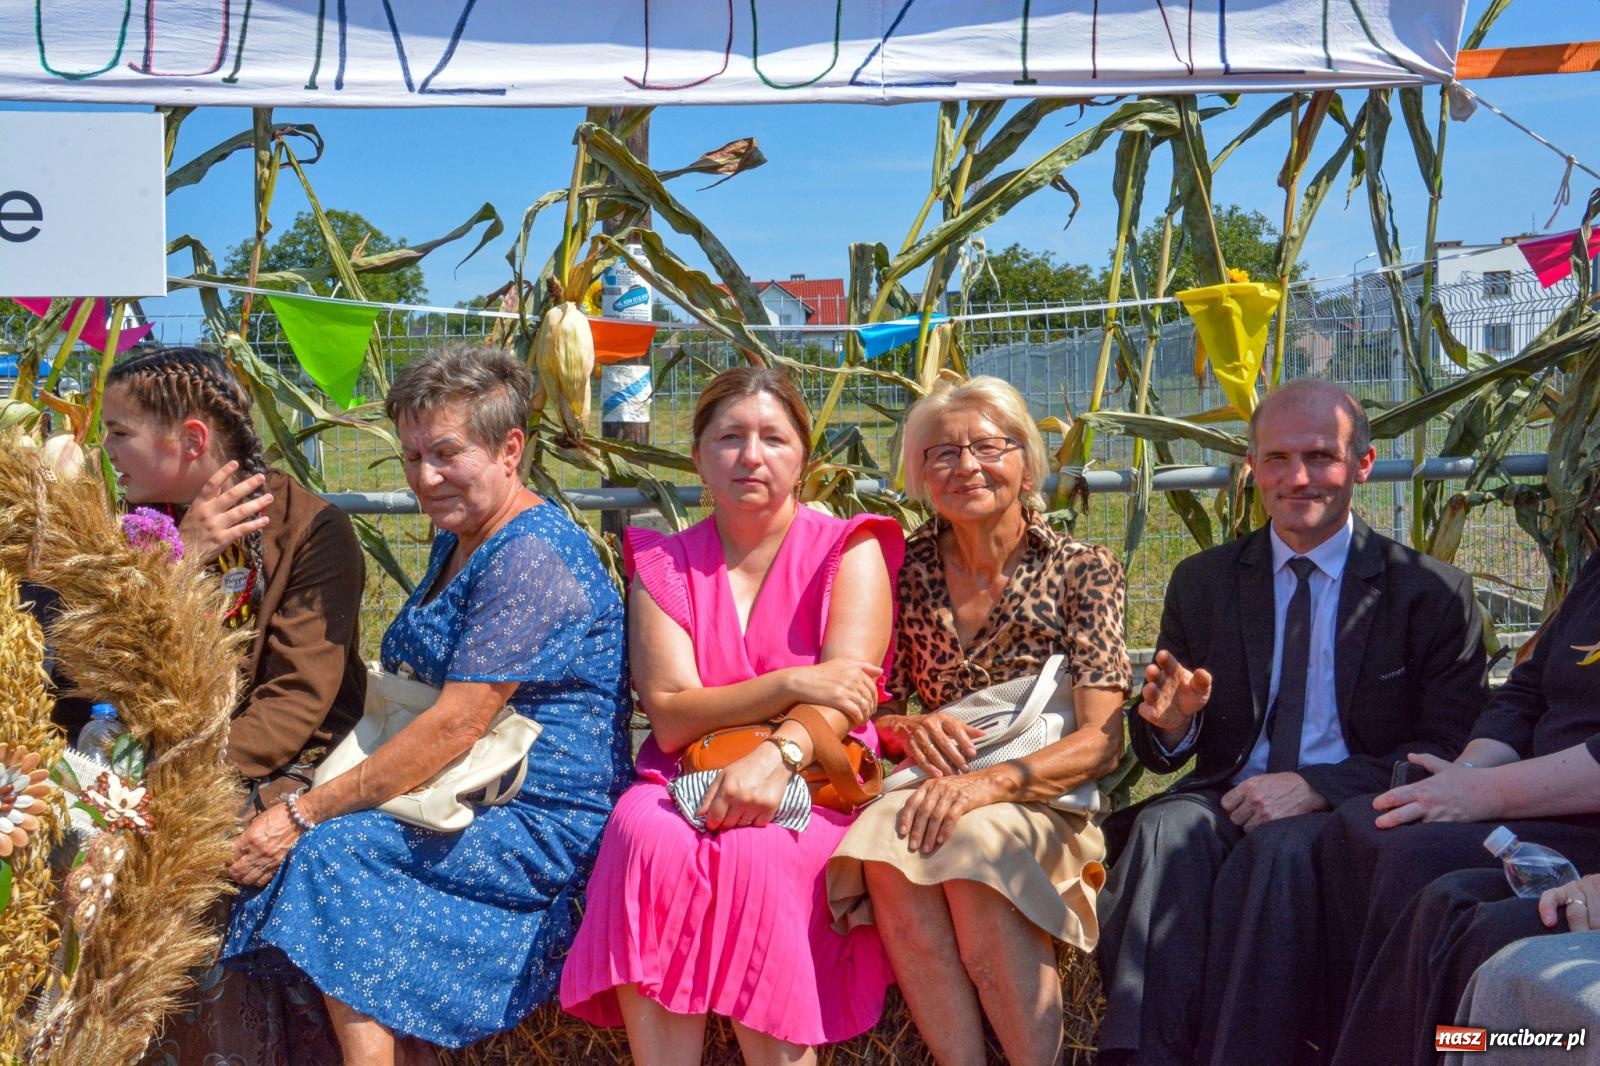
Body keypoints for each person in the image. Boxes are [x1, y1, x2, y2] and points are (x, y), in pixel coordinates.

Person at [222, 344, 633, 1066]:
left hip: (537, 816)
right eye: (412, 457)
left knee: (332, 854)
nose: (425, 476)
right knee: (324, 846)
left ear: (511, 449)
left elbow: (457, 723)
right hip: (463, 789)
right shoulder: (467, 536)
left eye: (446, 453)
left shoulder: (528, 553)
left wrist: (303, 811)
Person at [1094, 378, 1488, 1066]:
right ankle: (1139, 1057)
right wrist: (1171, 723)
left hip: (1356, 803)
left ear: (1362, 464)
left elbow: (1449, 749)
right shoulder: (1206, 581)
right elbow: (1162, 750)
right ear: (1251, 465)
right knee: (1160, 832)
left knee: (1279, 855)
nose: (1297, 478)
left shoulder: (1430, 594)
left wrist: (1317, 787)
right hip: (1232, 793)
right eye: (1275, 458)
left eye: (1320, 457)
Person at [560, 366, 902, 1065]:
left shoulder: (850, 548)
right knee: (641, 837)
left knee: (758, 854)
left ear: (803, 457)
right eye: (729, 438)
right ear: (698, 457)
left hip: (813, 777)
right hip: (683, 776)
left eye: (774, 438)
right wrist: (793, 681)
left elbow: (848, 699)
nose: (751, 456)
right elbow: (674, 719)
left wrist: (771, 759)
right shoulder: (663, 564)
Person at [826, 375, 1131, 1065]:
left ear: (1026, 463)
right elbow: (878, 705)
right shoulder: (902, 571)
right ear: (919, 474)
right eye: (941, 453)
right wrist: (907, 728)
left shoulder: (1083, 570)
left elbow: (1102, 740)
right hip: (933, 790)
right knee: (884, 845)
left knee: (972, 849)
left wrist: (984, 786)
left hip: (1040, 798)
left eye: (988, 447)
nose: (966, 466)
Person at [98, 346, 366, 1066]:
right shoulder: (126, 526)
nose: (107, 447)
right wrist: (181, 557)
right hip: (140, 753)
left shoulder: (311, 530)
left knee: (204, 865)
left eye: (120, 431)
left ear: (189, 440)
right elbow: (84, 668)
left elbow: (297, 698)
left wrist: (184, 779)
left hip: (270, 762)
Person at [1320, 548, 1600, 1066]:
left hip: (1583, 823)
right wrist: (1463, 776)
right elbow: (1526, 693)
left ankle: (1424, 1049)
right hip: (1543, 802)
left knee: (1450, 899)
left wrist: (1480, 796)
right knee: (1370, 828)